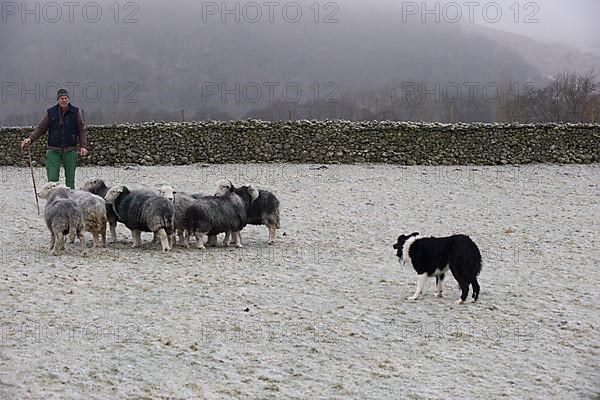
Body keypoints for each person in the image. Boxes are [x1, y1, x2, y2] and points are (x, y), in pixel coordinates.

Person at [20, 89, 89, 189]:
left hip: (70, 150)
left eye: (66, 98)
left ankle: (70, 203)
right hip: (53, 150)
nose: (64, 100)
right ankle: (54, 202)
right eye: (62, 98)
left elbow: (81, 129)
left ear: (68, 99)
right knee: (52, 181)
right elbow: (41, 128)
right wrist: (30, 139)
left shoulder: (75, 112)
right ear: (58, 100)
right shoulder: (51, 112)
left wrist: (83, 146)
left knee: (70, 181)